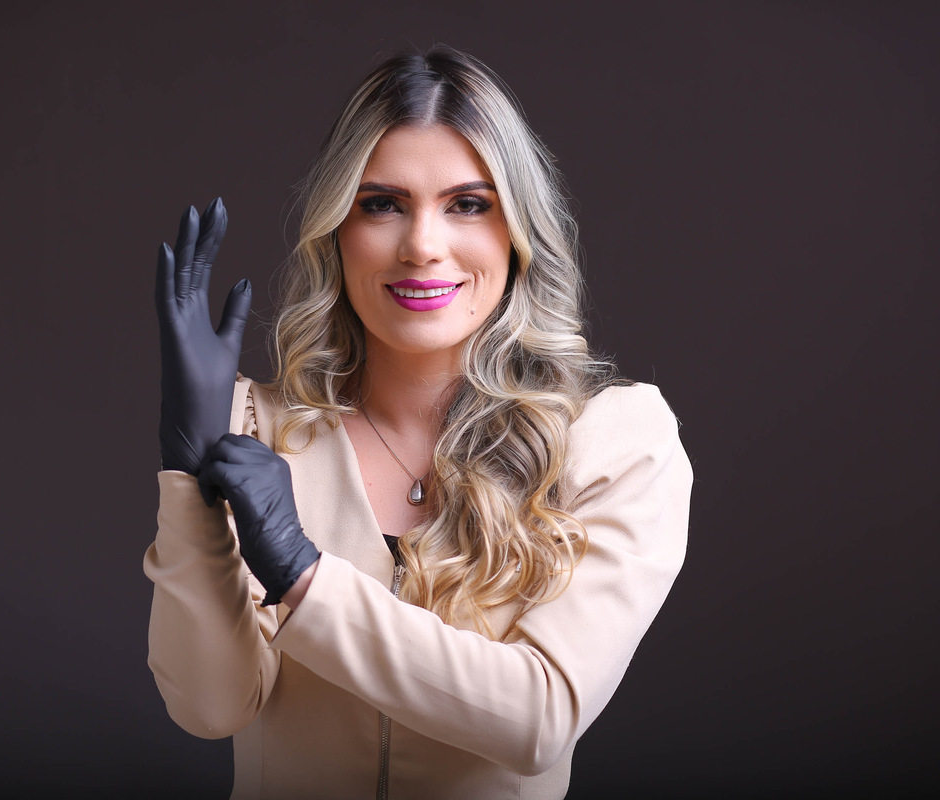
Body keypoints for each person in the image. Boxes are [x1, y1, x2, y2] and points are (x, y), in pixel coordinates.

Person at [144, 45, 692, 800]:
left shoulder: (615, 442)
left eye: (468, 204)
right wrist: (188, 487)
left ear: (516, 231)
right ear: (338, 228)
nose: (423, 247)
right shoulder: (255, 429)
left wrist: (303, 576)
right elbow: (210, 708)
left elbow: (537, 721)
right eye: (382, 204)